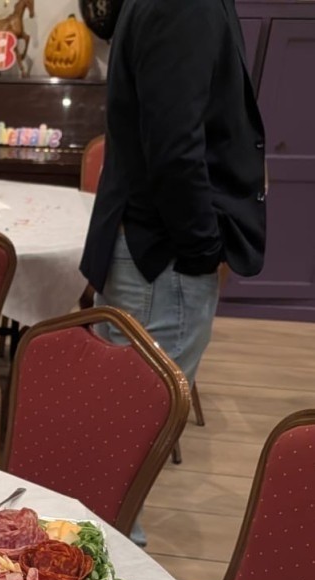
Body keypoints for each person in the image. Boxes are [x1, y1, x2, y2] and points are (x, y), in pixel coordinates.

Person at [81, 0, 267, 390]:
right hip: (163, 259)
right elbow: (174, 149)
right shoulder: (184, 5)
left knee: (122, 424)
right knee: (132, 429)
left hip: (155, 252)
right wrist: (202, 251)